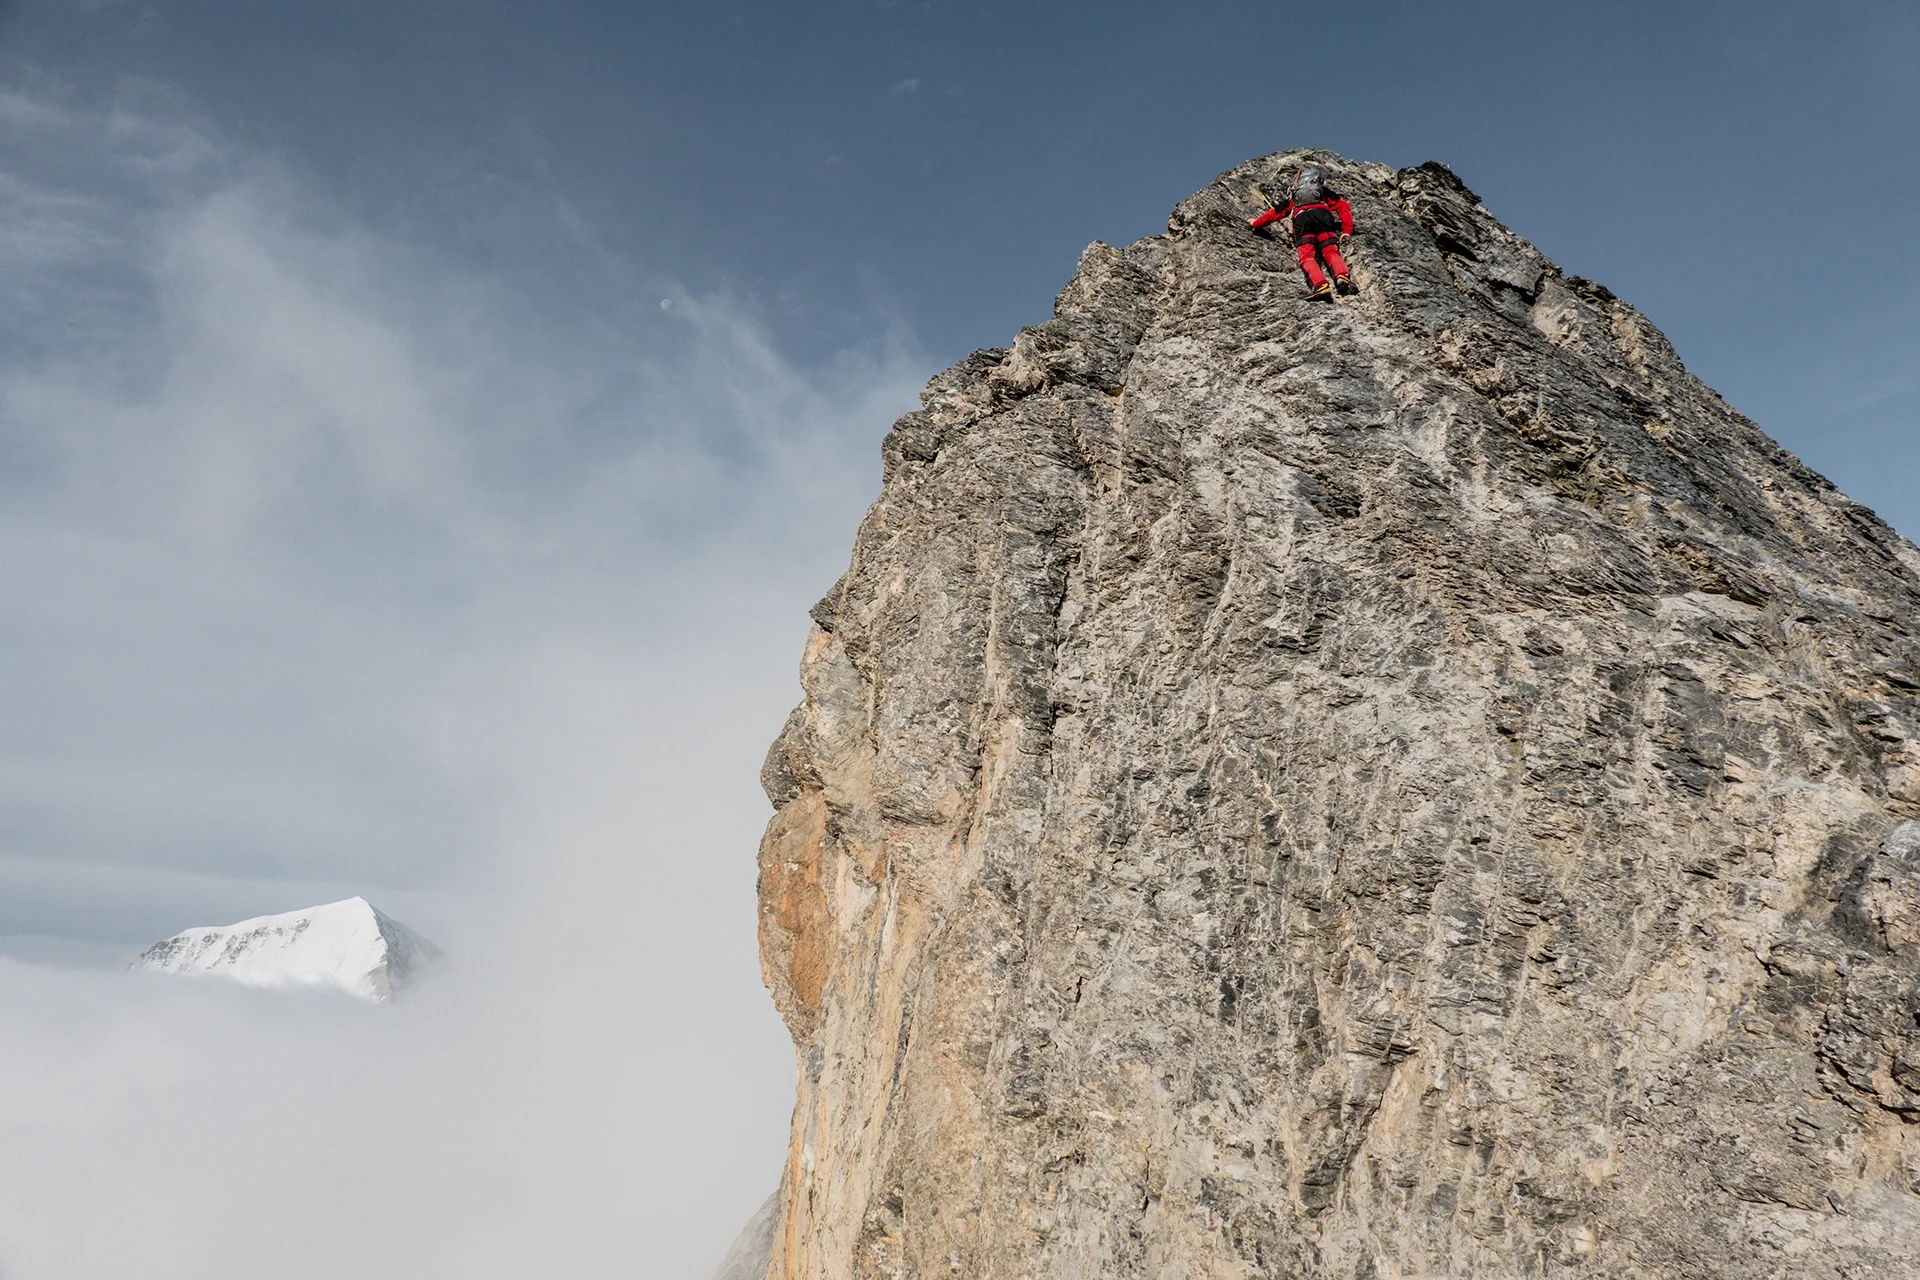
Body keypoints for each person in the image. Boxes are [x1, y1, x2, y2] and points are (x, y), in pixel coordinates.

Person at [1248, 166, 1356, 299]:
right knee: (1331, 252)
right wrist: (1347, 231)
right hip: (1323, 218)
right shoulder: (1324, 192)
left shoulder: (1295, 197)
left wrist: (1256, 223)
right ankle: (1342, 277)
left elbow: (1274, 213)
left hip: (1302, 221)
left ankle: (1320, 285)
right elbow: (1343, 207)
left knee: (1307, 257)